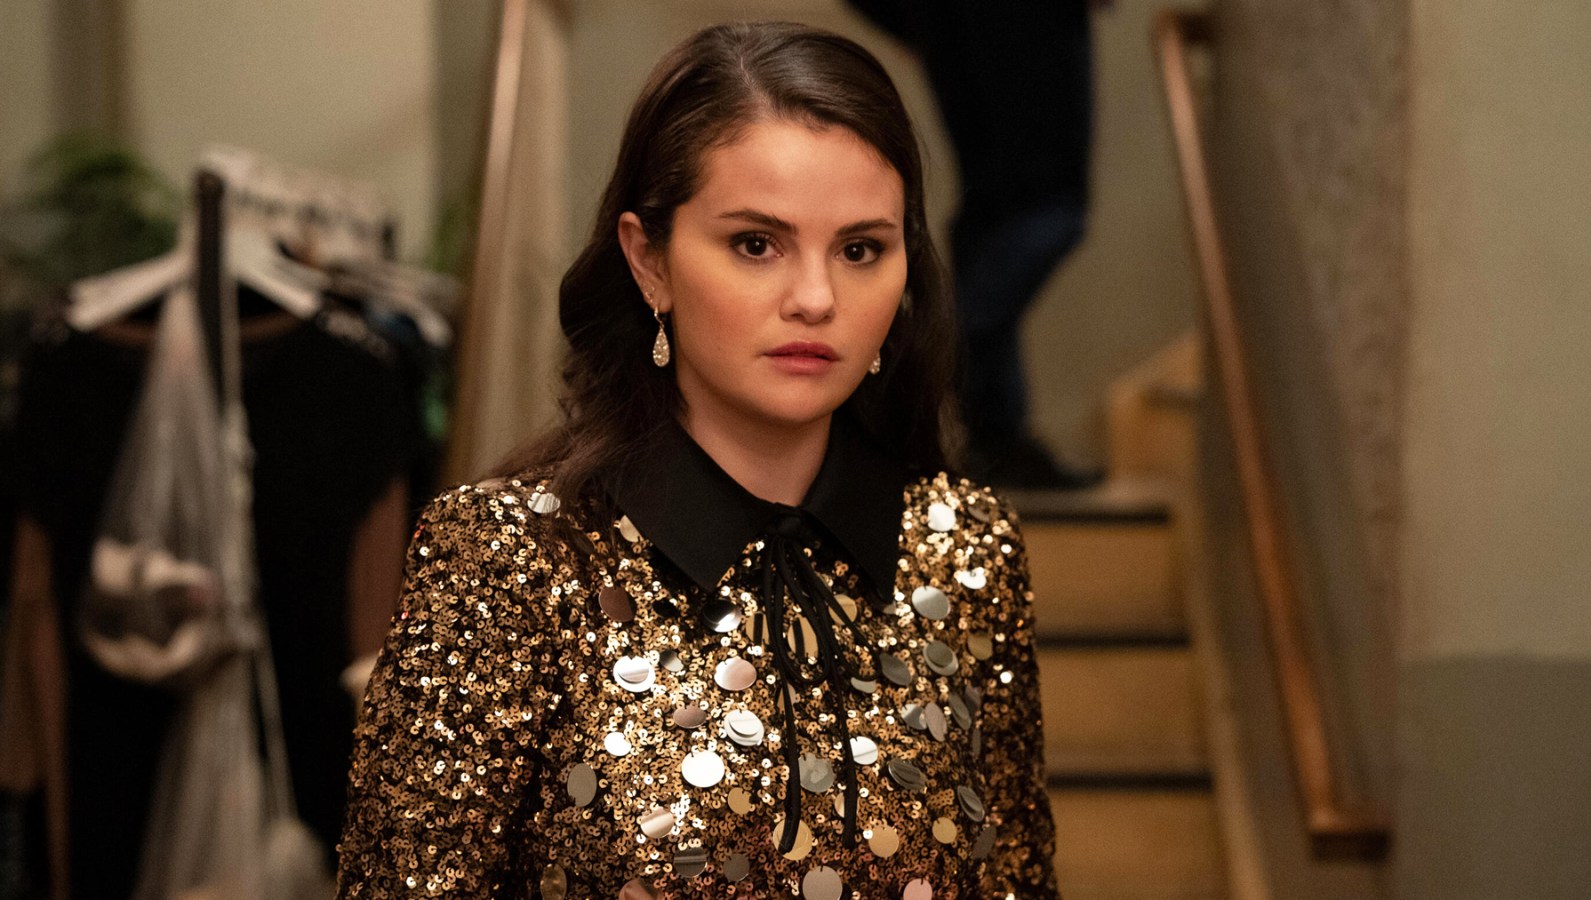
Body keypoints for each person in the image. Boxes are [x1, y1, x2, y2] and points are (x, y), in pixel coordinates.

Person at [336, 21, 1058, 899]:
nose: (816, 298)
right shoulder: (509, 561)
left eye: (860, 249)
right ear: (649, 262)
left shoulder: (964, 549)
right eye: (756, 244)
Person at [846, 0, 1101, 489]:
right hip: (1027, 20)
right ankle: (929, 344)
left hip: (950, 21)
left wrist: (918, 22)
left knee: (992, 213)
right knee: (1050, 208)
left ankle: (995, 439)